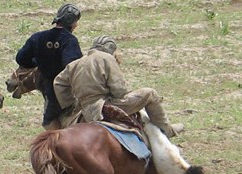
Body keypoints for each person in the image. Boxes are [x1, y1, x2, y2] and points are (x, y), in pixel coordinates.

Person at [54, 35, 184, 138]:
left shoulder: (76, 63)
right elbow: (119, 91)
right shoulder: (107, 58)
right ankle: (167, 130)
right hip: (104, 106)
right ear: (110, 48)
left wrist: (70, 104)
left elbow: (58, 83)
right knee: (150, 93)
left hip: (82, 109)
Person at [15, 3, 82, 130]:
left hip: (45, 85)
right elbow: (72, 66)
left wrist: (37, 62)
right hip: (64, 89)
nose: (76, 25)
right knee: (56, 119)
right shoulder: (69, 40)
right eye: (75, 22)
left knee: (50, 116)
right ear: (70, 22)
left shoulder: (38, 37)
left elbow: (21, 58)